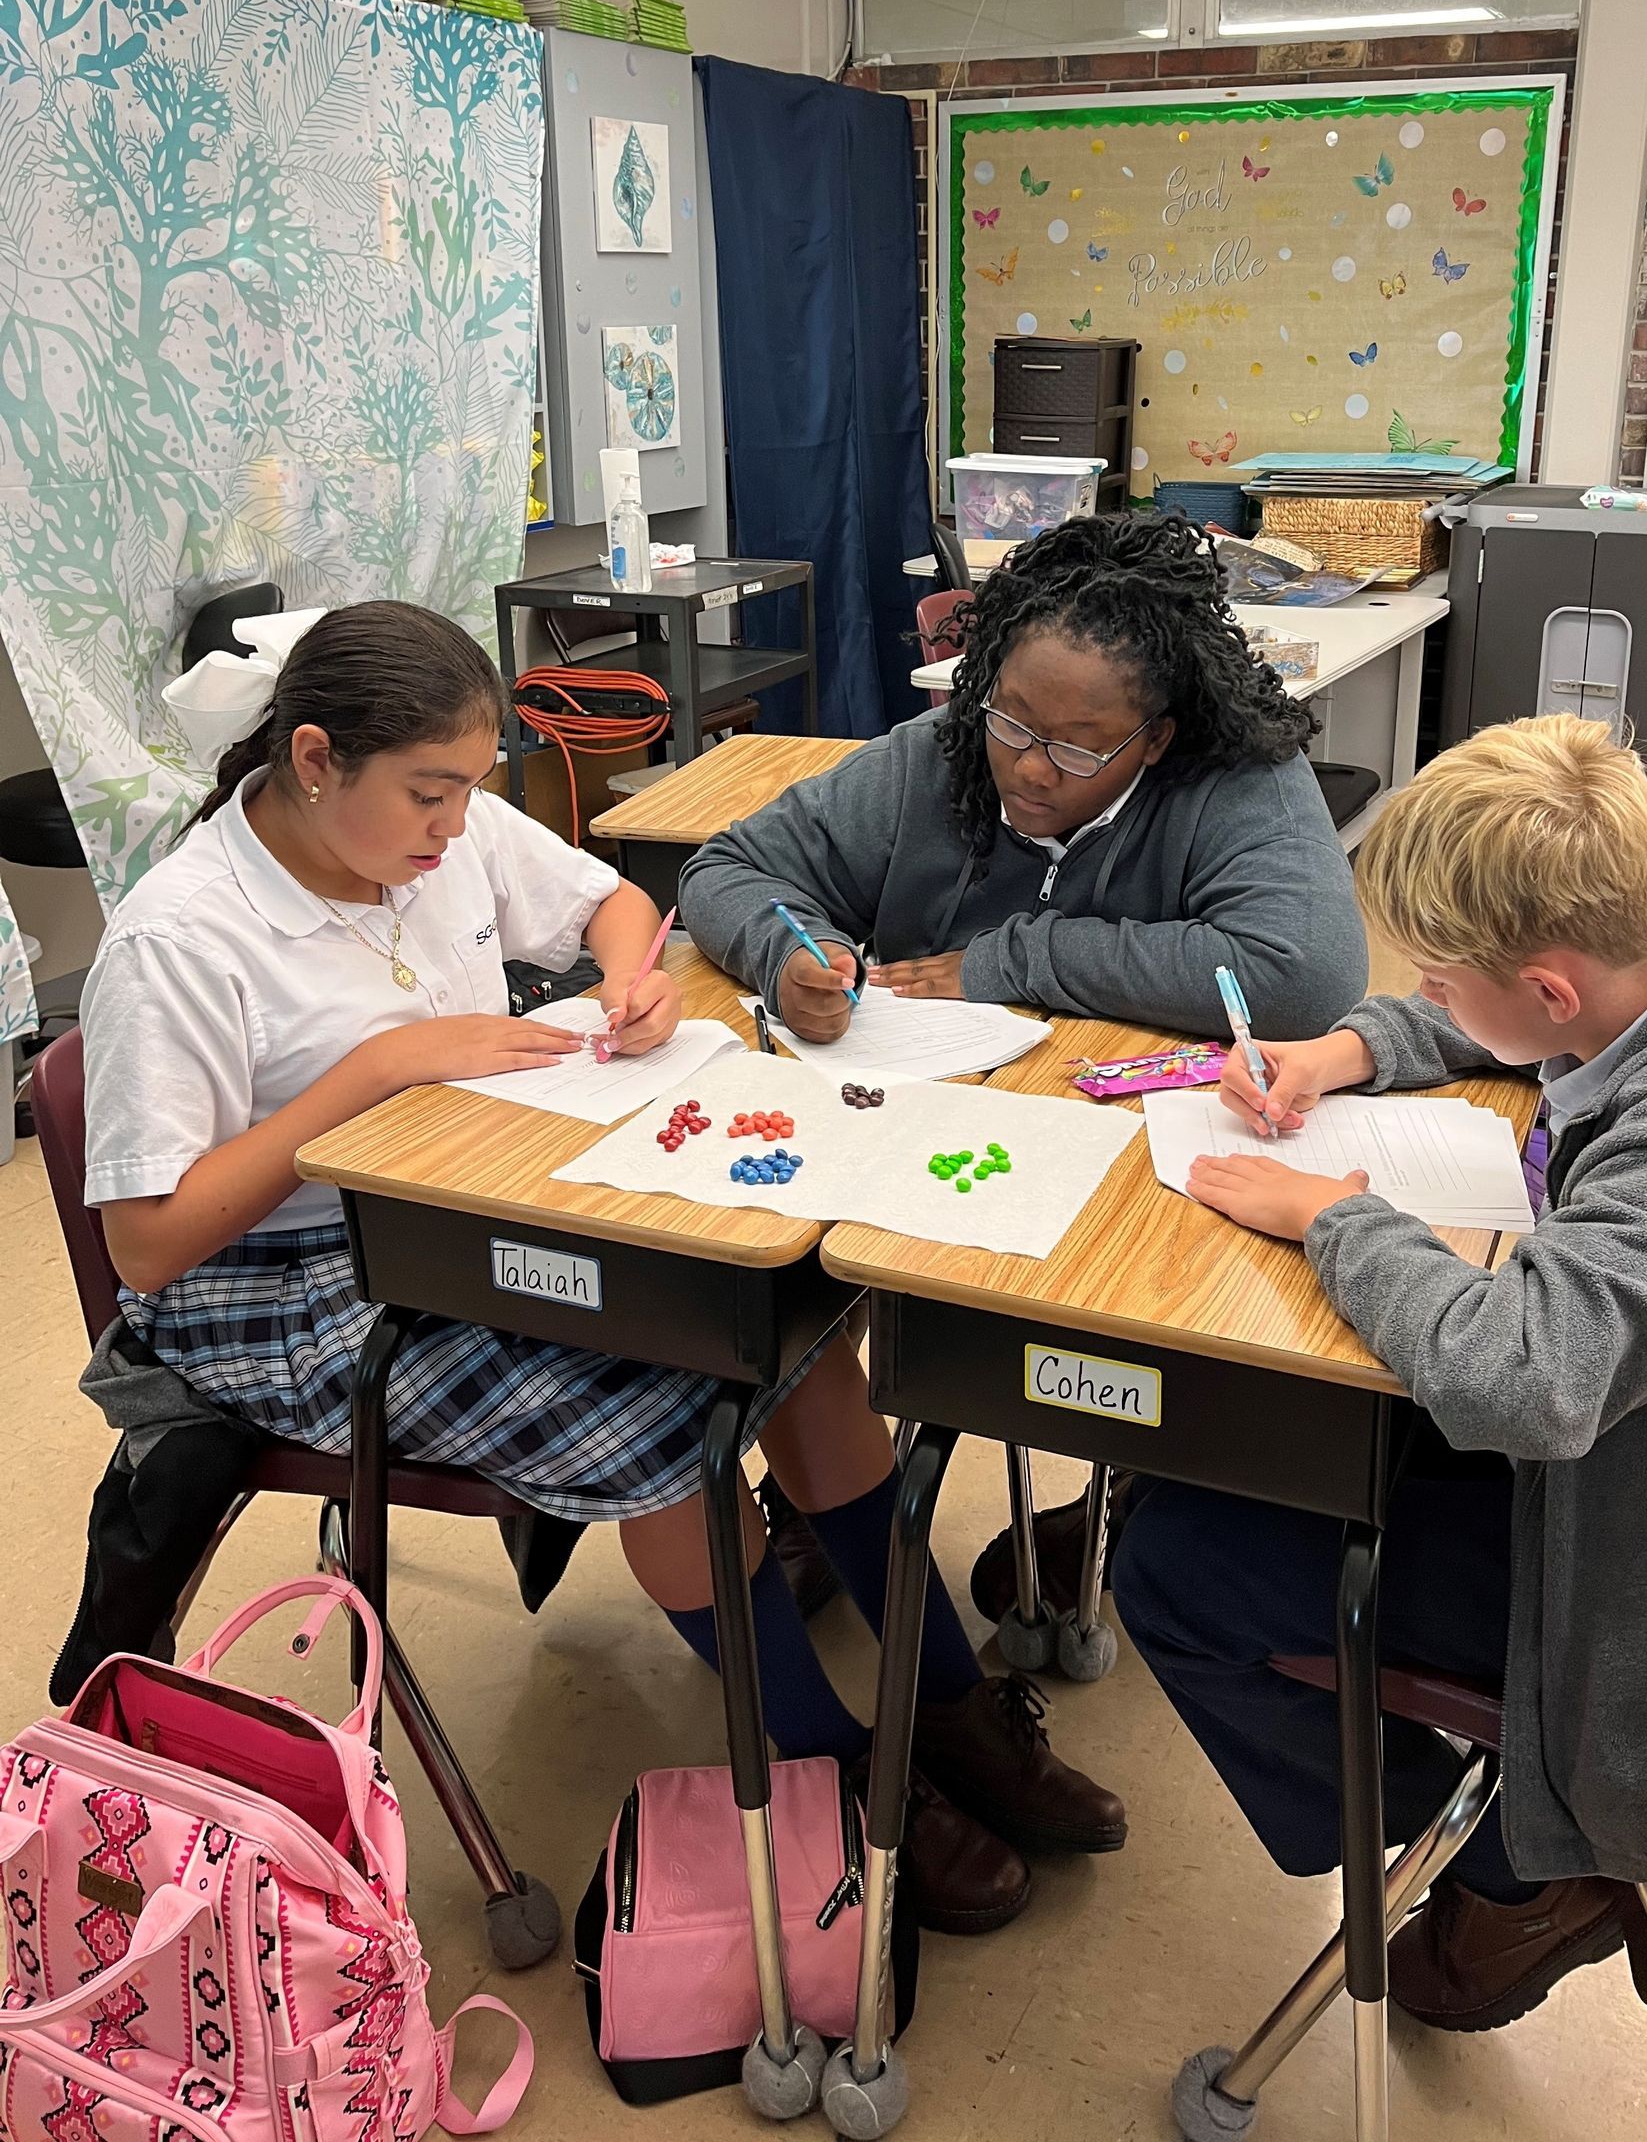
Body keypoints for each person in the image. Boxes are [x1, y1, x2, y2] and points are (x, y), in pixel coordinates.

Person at [80, 601, 1124, 1936]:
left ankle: (951, 1716)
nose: (455, 828)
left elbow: (615, 899)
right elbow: (147, 1246)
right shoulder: (183, 939)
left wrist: (631, 978)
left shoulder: (426, 835)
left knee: (787, 1340)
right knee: (685, 1407)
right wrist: (368, 1077)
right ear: (314, 758)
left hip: (465, 1204)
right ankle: (837, 1771)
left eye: (471, 790)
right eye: (430, 794)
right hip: (290, 1294)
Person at [1114, 714, 1647, 2030]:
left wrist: (1336, 1219)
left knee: (1177, 1566)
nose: (1424, 995)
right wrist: (1341, 1054)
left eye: (1433, 976)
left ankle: (1535, 1866)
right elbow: (1511, 1029)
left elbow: (1521, 1382)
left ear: (1544, 988)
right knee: (1261, 1450)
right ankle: (1519, 1840)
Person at [678, 513, 1370, 1619]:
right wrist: (790, 947)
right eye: (1010, 720)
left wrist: (1016, 958)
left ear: (1157, 738)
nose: (1032, 767)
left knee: (1169, 1323)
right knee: (789, 1273)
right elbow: (733, 866)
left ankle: (1131, 1499)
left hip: (1143, 1166)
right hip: (922, 1132)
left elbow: (1301, 975)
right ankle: (823, 1499)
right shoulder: (940, 753)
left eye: (1082, 744)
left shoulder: (1236, 778)